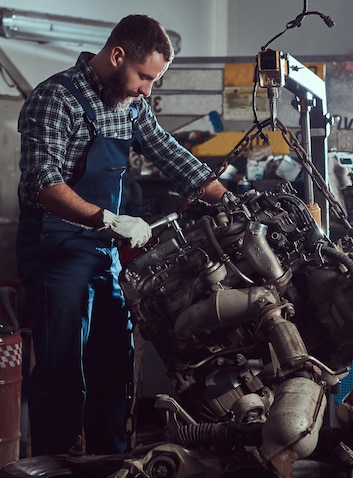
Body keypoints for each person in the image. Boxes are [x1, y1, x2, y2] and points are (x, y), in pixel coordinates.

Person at [16, 14, 227, 456]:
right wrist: (110, 221)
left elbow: (176, 159)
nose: (147, 89)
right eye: (144, 76)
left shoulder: (130, 106)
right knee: (61, 373)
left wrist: (234, 203)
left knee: (113, 370)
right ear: (117, 56)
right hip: (56, 251)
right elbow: (44, 184)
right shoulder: (55, 99)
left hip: (104, 254)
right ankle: (53, 464)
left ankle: (109, 462)